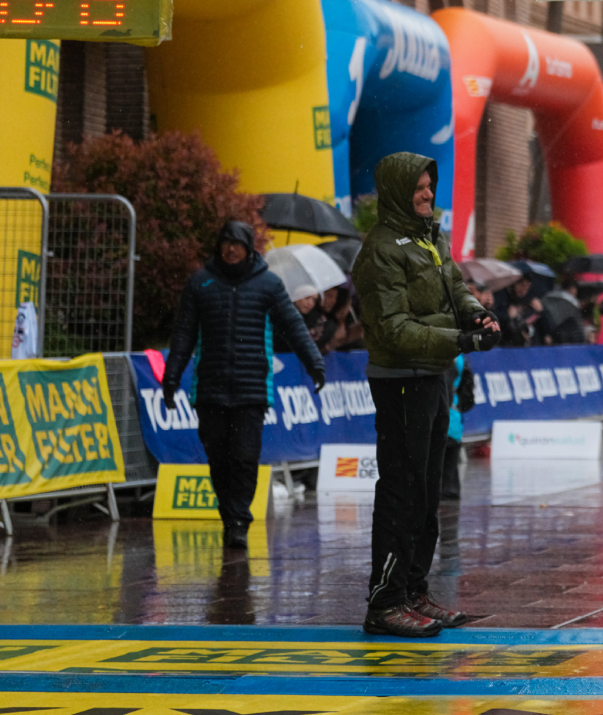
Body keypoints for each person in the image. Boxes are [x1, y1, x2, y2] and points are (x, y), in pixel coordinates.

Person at [351, 152, 498, 639]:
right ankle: (385, 601)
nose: (427, 195)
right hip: (401, 380)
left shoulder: (430, 237)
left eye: (430, 187)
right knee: (401, 492)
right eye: (418, 188)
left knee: (428, 495)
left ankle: (414, 591)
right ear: (396, 190)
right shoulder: (380, 251)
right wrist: (457, 338)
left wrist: (475, 315)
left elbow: (455, 287)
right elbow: (393, 329)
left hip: (433, 375)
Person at [162, 219, 325, 549]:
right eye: (226, 243)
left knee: (245, 456)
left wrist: (314, 364)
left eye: (237, 243)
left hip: (252, 389)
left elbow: (294, 327)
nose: (231, 249)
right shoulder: (200, 283)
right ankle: (228, 513)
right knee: (219, 458)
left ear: (249, 247)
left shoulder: (268, 285)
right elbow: (184, 334)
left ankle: (239, 520)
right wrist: (172, 376)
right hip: (210, 388)